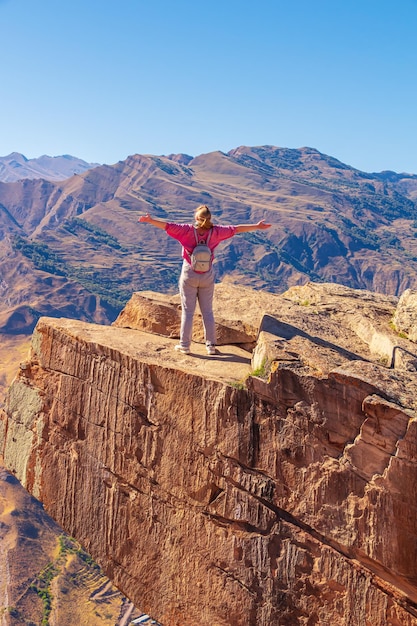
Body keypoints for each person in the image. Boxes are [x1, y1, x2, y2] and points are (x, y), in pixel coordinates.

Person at [138, 205, 271, 355]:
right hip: (207, 274)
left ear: (196, 217)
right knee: (207, 311)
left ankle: (185, 346)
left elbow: (167, 226)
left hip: (189, 273)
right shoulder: (216, 232)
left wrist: (150, 220)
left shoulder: (186, 231)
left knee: (188, 311)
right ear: (209, 218)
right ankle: (211, 346)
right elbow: (236, 229)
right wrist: (258, 227)